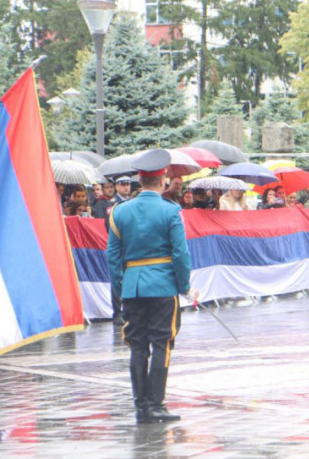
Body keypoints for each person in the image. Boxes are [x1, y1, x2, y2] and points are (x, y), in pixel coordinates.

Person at [107, 149, 194, 423]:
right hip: (163, 287)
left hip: (132, 288)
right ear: (163, 180)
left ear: (139, 181)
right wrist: (184, 285)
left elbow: (112, 257)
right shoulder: (170, 211)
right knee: (162, 344)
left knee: (137, 346)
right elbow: (180, 254)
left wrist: (122, 288)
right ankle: (156, 404)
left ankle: (141, 405)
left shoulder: (120, 212)